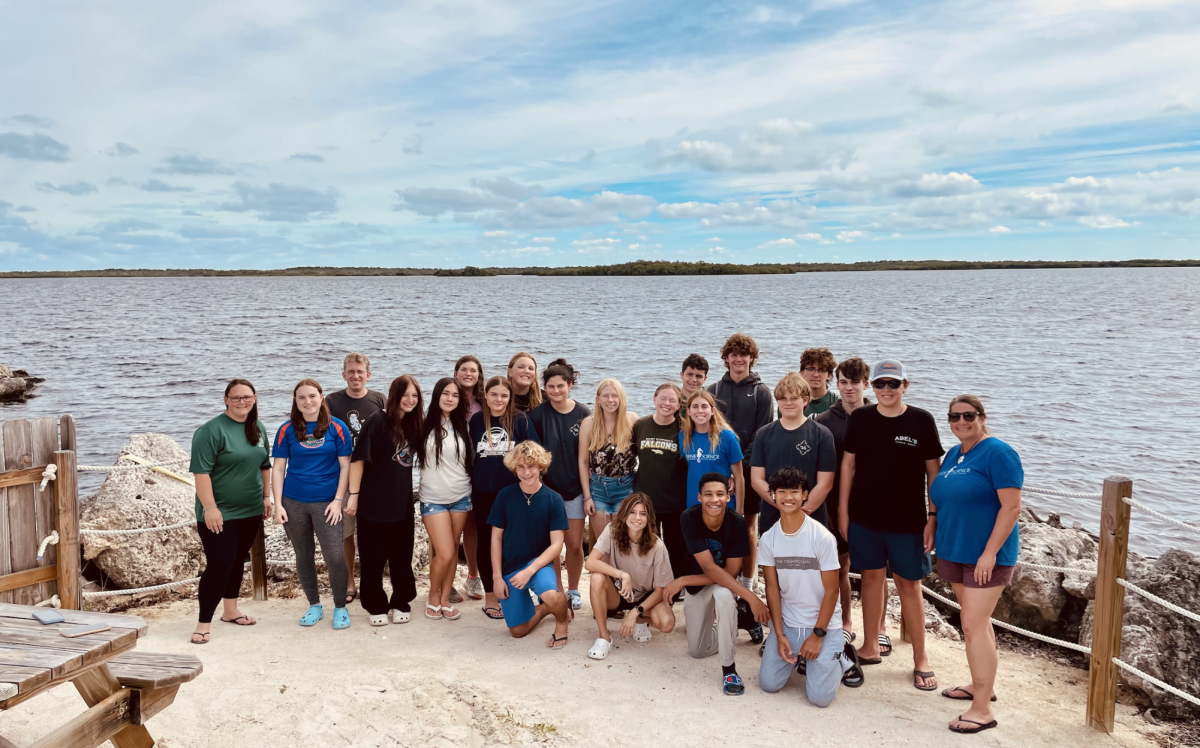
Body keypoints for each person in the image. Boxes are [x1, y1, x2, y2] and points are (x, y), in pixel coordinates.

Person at [838, 360, 944, 691]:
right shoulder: (861, 418)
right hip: (864, 519)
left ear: (905, 386)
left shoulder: (921, 420)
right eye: (880, 384)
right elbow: (848, 466)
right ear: (871, 386)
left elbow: (934, 474)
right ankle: (870, 646)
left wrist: (933, 517)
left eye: (893, 384)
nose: (886, 390)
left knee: (909, 586)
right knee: (869, 580)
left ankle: (921, 659)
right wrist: (843, 512)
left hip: (908, 522)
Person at [930, 395, 1023, 735]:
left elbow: (1011, 508)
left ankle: (982, 709)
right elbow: (941, 494)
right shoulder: (956, 453)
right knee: (978, 625)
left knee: (972, 623)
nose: (960, 422)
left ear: (982, 417)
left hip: (986, 556)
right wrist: (932, 520)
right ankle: (982, 684)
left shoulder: (998, 452)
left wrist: (989, 553)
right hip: (954, 549)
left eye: (968, 416)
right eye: (954, 417)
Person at [759, 467, 863, 704]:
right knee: (769, 685)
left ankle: (842, 658)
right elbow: (772, 590)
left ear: (805, 495)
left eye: (795, 491)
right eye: (781, 491)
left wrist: (817, 635)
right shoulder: (768, 539)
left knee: (819, 699)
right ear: (773, 495)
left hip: (824, 626)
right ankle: (803, 656)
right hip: (789, 624)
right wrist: (778, 634)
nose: (788, 497)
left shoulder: (822, 537)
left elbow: (832, 591)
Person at [663, 473, 769, 696]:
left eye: (720, 494)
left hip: (722, 583)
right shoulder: (689, 518)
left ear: (728, 496)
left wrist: (682, 579)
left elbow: (730, 573)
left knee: (723, 595)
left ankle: (729, 669)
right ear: (699, 497)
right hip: (697, 584)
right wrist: (685, 581)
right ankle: (740, 620)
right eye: (708, 494)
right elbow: (710, 568)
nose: (714, 499)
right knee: (696, 651)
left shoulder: (737, 523)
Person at [189, 378, 272, 645]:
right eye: (235, 398)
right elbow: (201, 473)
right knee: (219, 564)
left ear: (255, 398)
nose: (241, 402)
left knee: (237, 561)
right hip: (220, 512)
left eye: (246, 397)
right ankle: (203, 623)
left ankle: (230, 610)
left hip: (251, 510)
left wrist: (267, 498)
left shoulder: (258, 427)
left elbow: (264, 466)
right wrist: (210, 508)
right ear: (226, 399)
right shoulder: (210, 431)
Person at [272, 379, 354, 630]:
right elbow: (278, 468)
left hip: (328, 502)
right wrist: (278, 504)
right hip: (294, 501)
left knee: (335, 556)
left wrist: (338, 501)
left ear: (321, 397)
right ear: (295, 401)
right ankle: (314, 605)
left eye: (311, 396)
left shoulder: (337, 428)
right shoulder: (286, 429)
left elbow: (345, 466)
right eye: (301, 397)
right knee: (303, 555)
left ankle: (340, 607)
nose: (307, 402)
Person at [345, 375, 422, 627]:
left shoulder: (413, 423)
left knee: (401, 557)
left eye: (415, 395)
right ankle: (375, 605)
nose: (410, 400)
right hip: (372, 504)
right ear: (394, 395)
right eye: (405, 394)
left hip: (402, 504)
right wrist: (354, 497)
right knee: (373, 559)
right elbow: (358, 460)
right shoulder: (378, 420)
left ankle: (401, 601)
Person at [488, 441, 571, 648]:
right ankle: (543, 610)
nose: (527, 472)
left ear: (541, 467)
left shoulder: (554, 499)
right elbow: (496, 538)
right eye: (521, 467)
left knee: (552, 596)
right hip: (510, 568)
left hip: (539, 565)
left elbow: (556, 545)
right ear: (514, 468)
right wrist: (497, 577)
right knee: (518, 632)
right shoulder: (504, 495)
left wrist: (530, 570)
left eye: (532, 466)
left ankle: (561, 625)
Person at [469, 375, 540, 620]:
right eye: (494, 394)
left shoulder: (520, 420)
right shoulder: (477, 420)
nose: (499, 399)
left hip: (514, 492)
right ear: (486, 396)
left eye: (504, 395)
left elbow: (534, 454)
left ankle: (519, 589)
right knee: (487, 542)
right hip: (483, 492)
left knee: (517, 542)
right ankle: (490, 594)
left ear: (510, 398)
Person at [708, 333, 773, 592]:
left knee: (747, 527)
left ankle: (747, 584)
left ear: (752, 358)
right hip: (717, 471)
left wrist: (739, 469)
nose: (738, 358)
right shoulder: (712, 391)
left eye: (743, 354)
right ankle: (721, 580)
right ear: (726, 358)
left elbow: (762, 434)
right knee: (715, 525)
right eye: (733, 354)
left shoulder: (762, 392)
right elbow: (707, 430)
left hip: (747, 471)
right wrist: (724, 471)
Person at [813, 357, 872, 641]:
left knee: (876, 572)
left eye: (855, 383)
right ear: (836, 384)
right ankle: (845, 621)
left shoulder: (878, 416)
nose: (849, 389)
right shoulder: (824, 421)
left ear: (866, 384)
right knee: (841, 567)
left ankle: (879, 629)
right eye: (844, 383)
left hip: (871, 504)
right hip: (835, 506)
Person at [528, 358, 591, 610]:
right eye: (551, 387)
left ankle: (574, 589)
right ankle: (558, 589)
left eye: (560, 386)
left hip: (575, 489)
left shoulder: (584, 414)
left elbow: (588, 456)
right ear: (544, 388)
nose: (556, 391)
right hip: (548, 492)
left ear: (570, 385)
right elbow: (533, 455)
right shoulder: (538, 415)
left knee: (574, 545)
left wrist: (588, 494)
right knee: (553, 547)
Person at [325, 353, 387, 606]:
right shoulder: (331, 401)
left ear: (368, 375)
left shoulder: (379, 400)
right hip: (342, 480)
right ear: (344, 375)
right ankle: (350, 582)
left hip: (373, 481)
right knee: (345, 534)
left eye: (360, 371)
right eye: (350, 371)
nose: (355, 376)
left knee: (374, 535)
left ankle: (374, 582)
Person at [585, 492, 676, 659]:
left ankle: (640, 620)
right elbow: (590, 563)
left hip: (644, 598)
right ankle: (604, 637)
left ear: (649, 518)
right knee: (597, 577)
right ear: (625, 514)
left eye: (643, 513)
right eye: (632, 512)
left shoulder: (657, 546)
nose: (637, 518)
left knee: (667, 623)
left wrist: (635, 612)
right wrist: (622, 575)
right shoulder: (612, 530)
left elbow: (660, 590)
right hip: (618, 593)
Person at [751, 373, 836, 538]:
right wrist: (783, 505)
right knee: (773, 563)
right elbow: (756, 479)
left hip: (812, 516)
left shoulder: (822, 434)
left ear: (805, 400)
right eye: (783, 398)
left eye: (794, 398)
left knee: (810, 563)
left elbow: (825, 483)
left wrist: (802, 510)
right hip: (773, 516)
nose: (788, 403)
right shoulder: (764, 434)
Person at [417, 377, 474, 621]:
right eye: (446, 393)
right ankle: (433, 594)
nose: (450, 398)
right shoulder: (421, 425)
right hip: (433, 498)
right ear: (437, 395)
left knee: (452, 548)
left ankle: (443, 599)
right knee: (446, 552)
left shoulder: (464, 426)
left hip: (461, 496)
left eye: (455, 395)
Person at [632, 383, 689, 581]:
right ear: (654, 399)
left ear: (679, 405)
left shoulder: (685, 429)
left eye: (672, 400)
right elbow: (628, 456)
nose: (666, 403)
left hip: (675, 501)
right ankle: (648, 585)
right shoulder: (641, 425)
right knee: (646, 546)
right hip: (646, 500)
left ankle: (676, 587)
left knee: (675, 546)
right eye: (662, 398)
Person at [578, 378, 638, 532]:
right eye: (605, 396)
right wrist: (587, 497)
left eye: (614, 396)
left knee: (623, 542)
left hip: (626, 487)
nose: (610, 400)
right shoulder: (588, 424)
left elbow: (643, 456)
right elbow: (583, 462)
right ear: (598, 399)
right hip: (597, 489)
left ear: (621, 398)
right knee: (603, 544)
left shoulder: (632, 420)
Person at [680, 390, 745, 513]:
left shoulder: (727, 437)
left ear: (712, 411)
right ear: (688, 411)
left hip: (722, 503)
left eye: (704, 406)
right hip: (694, 503)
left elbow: (739, 477)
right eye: (695, 406)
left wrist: (739, 512)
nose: (700, 410)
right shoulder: (684, 436)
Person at [454, 355, 486, 601]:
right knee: (450, 526)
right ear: (456, 373)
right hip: (451, 468)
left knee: (473, 524)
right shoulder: (448, 397)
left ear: (478, 375)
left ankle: (473, 577)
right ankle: (446, 578)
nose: (468, 373)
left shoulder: (484, 402)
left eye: (472, 370)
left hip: (477, 467)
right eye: (463, 369)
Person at [799, 348, 839, 416]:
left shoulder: (837, 404)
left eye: (821, 370)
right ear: (801, 373)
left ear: (829, 375)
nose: (816, 375)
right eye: (811, 369)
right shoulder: (791, 403)